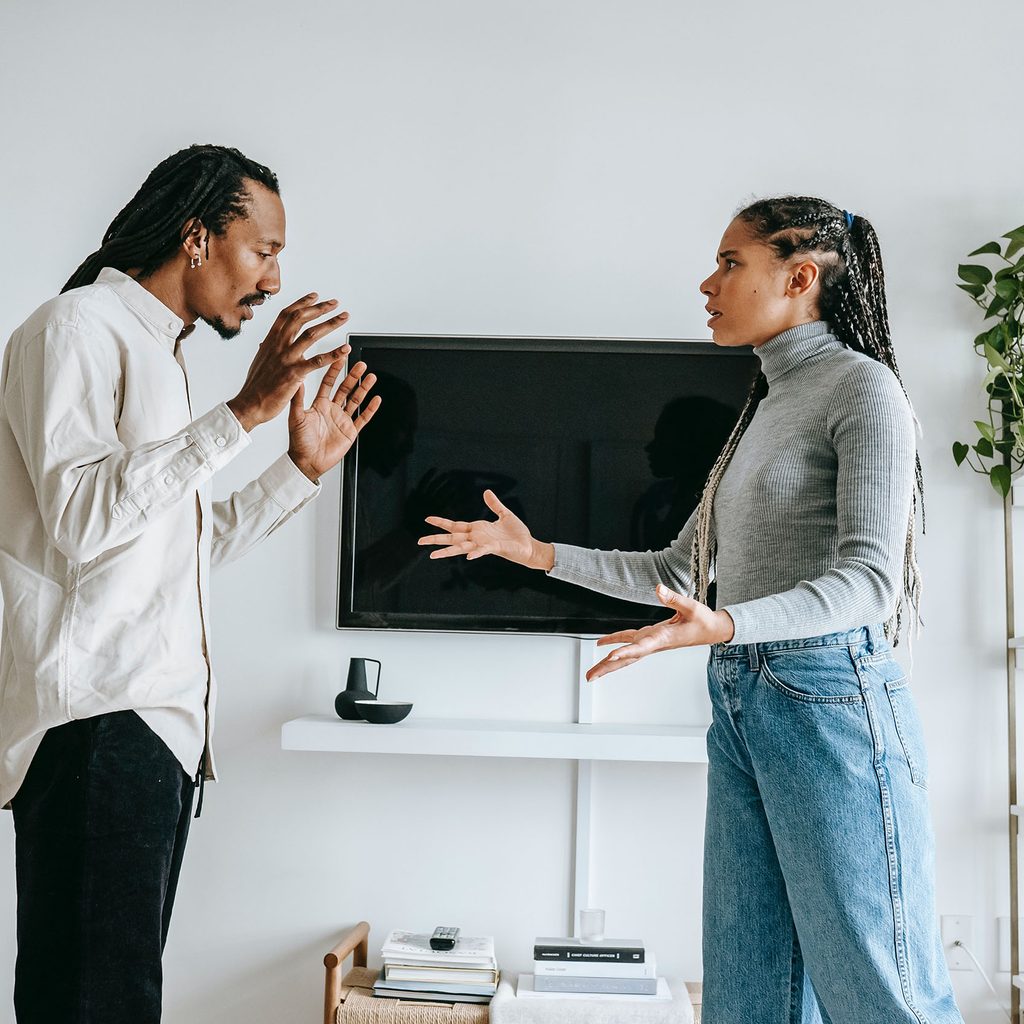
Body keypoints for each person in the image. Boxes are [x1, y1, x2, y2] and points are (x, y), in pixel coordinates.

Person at [419, 196, 963, 1024]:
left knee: (881, 996)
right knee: (747, 1000)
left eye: (730, 263)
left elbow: (868, 583)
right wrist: (536, 553)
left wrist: (731, 624)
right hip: (744, 702)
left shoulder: (864, 389)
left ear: (800, 277)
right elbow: (679, 569)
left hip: (833, 706)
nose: (709, 283)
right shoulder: (766, 403)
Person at [0, 144, 381, 1024]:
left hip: (151, 734)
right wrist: (243, 412)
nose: (273, 280)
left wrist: (298, 469)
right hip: (99, 723)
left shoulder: (157, 354)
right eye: (264, 251)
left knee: (115, 1000)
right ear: (197, 236)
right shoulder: (76, 329)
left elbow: (176, 549)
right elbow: (81, 517)